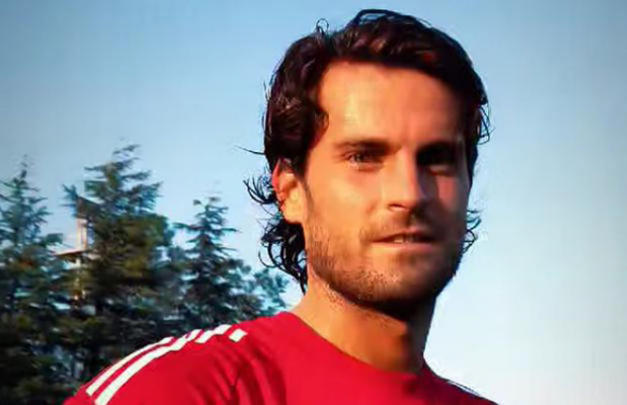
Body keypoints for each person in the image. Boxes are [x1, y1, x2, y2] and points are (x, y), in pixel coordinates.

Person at [66, 9, 494, 405]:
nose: (411, 193)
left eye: (437, 159)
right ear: (290, 190)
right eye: (364, 157)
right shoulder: (176, 390)